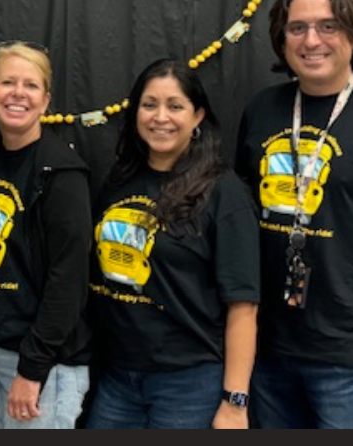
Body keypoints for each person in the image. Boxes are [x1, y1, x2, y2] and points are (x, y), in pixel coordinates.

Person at [235, 0, 353, 429]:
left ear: (352, 34)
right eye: (297, 28)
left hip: (347, 355)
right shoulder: (262, 110)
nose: (312, 40)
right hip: (267, 348)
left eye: (328, 26)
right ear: (282, 39)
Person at [85, 58, 260, 429]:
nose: (160, 117)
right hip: (118, 377)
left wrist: (235, 401)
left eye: (175, 106)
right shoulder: (119, 181)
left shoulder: (223, 192)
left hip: (189, 383)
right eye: (149, 105)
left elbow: (243, 305)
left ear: (197, 117)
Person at [0, 40, 92, 428]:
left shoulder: (62, 173)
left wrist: (32, 370)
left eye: (31, 85)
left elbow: (68, 281)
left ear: (46, 100)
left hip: (39, 362)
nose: (18, 93)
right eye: (7, 82)